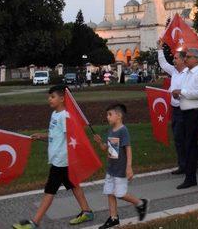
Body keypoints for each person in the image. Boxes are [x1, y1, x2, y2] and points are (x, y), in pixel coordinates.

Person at [13, 85, 94, 229]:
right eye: (49, 97)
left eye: (52, 97)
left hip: (61, 161)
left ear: (62, 99)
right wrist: (41, 135)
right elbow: (56, 134)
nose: (49, 99)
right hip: (60, 159)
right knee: (74, 185)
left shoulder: (65, 116)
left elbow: (73, 136)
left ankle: (34, 222)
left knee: (49, 191)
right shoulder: (55, 115)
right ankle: (87, 212)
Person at [92, 104, 148, 228]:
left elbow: (128, 149)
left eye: (110, 114)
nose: (107, 117)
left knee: (120, 194)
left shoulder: (123, 130)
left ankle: (140, 203)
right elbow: (105, 148)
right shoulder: (111, 130)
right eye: (107, 115)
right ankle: (113, 218)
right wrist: (99, 142)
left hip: (121, 169)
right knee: (110, 192)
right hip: (111, 169)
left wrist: (129, 167)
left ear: (119, 116)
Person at [175, 48, 198, 189]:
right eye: (185, 57)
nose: (185, 59)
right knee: (188, 145)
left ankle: (191, 178)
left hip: (195, 112)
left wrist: (182, 92)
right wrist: (178, 94)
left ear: (197, 59)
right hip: (185, 112)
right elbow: (186, 91)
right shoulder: (187, 74)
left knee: (189, 146)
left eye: (189, 57)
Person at [157, 40, 188, 175]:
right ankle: (184, 164)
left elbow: (191, 92)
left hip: (185, 110)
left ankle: (188, 164)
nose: (173, 60)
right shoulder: (174, 71)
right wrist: (159, 48)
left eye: (175, 58)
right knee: (179, 138)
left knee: (183, 138)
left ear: (182, 60)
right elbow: (163, 63)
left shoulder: (189, 73)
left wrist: (179, 95)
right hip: (175, 110)